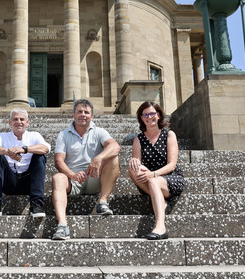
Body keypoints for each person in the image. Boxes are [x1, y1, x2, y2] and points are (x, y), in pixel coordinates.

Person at [51, 99, 120, 240]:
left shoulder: (99, 131)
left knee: (113, 157)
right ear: (73, 115)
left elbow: (115, 146)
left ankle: (103, 202)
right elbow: (58, 161)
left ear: (92, 116)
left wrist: (99, 158)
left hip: (95, 178)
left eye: (86, 112)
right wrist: (73, 175)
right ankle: (62, 226)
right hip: (73, 182)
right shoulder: (63, 135)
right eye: (79, 112)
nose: (83, 114)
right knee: (57, 177)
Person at [128, 101, 184, 240]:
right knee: (132, 167)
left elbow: (172, 165)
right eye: (145, 114)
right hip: (149, 178)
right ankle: (162, 202)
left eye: (152, 113)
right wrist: (134, 161)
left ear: (158, 115)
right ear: (141, 118)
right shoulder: (138, 139)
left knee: (154, 182)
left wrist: (154, 174)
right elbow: (137, 163)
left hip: (170, 178)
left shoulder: (169, 135)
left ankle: (160, 226)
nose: (149, 117)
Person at [0, 108, 51, 217]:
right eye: (15, 119)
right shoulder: (3, 136)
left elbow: (45, 148)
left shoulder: (35, 135)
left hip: (29, 182)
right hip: (9, 182)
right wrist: (7, 151)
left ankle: (36, 204)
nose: (19, 122)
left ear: (27, 123)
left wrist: (24, 149)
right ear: (10, 122)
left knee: (40, 156)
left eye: (22, 119)